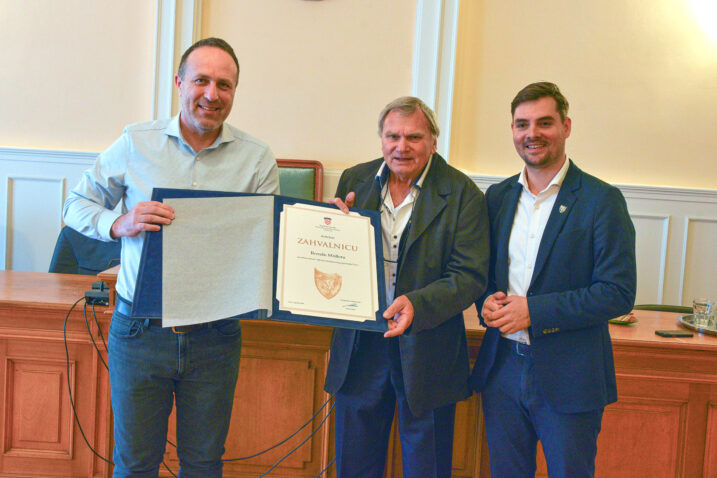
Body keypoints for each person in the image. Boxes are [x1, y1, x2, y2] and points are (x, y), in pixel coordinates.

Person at [63, 37, 279, 477]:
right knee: (136, 464)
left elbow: (270, 239)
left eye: (224, 84)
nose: (211, 94)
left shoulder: (256, 160)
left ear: (235, 92)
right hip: (141, 331)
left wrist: (327, 227)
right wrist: (117, 224)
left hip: (216, 336)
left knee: (203, 465)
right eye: (201, 80)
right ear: (179, 83)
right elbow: (76, 205)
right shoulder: (135, 143)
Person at [470, 82, 636, 478]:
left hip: (570, 375)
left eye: (545, 123)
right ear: (512, 130)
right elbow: (484, 275)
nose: (532, 134)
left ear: (566, 126)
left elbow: (618, 293)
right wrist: (485, 303)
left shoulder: (601, 200)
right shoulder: (497, 198)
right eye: (522, 124)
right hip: (502, 370)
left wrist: (534, 311)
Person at [324, 96, 490, 477]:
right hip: (361, 345)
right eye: (392, 136)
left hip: (428, 347)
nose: (402, 147)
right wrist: (331, 229)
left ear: (433, 140)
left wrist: (417, 304)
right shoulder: (355, 179)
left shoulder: (463, 193)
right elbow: (334, 254)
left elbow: (470, 274)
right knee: (355, 464)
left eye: (413, 137)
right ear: (381, 139)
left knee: (426, 466)